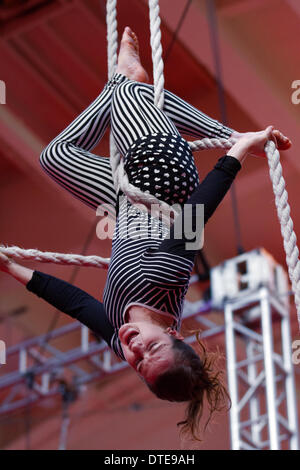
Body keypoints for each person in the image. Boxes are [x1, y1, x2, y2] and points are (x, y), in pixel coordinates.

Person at [0, 27, 291, 440]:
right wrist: (236, 150)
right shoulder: (166, 278)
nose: (135, 351)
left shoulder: (122, 342)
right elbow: (197, 213)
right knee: (129, 97)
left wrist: (11, 268)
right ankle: (141, 87)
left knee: (56, 157)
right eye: (151, 349)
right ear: (172, 333)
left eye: (138, 364)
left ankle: (126, 80)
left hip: (122, 202)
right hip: (164, 179)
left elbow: (79, 305)